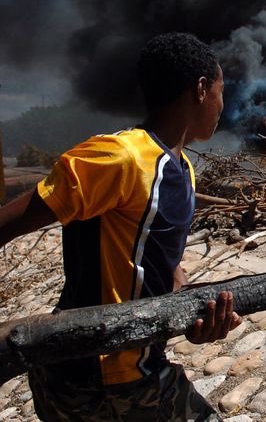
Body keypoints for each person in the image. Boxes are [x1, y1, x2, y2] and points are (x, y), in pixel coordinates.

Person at [0, 32, 242, 420]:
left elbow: (164, 272)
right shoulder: (119, 157)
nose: (222, 105)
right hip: (100, 378)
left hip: (136, 366)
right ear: (200, 89)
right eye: (221, 91)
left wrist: (197, 318)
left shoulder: (183, 171)